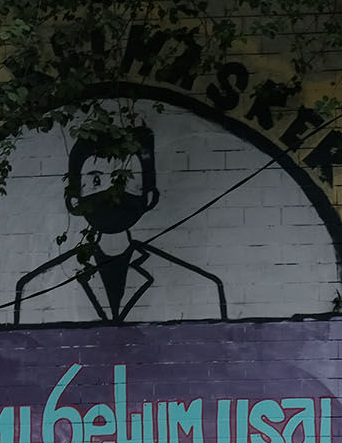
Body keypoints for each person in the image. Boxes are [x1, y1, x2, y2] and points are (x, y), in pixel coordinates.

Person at [14, 123, 227, 324]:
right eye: (96, 180)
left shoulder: (203, 285)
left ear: (148, 197)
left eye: (125, 180)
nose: (111, 194)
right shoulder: (34, 289)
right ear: (74, 200)